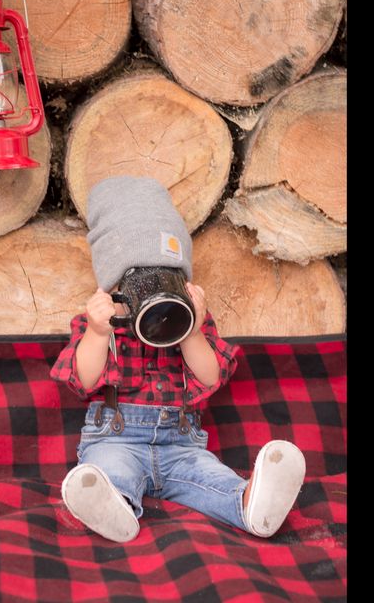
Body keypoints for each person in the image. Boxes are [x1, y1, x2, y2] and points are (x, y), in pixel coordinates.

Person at [50, 176, 306, 543]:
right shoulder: (102, 325)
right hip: (116, 439)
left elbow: (210, 376)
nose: (154, 290)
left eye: (166, 278)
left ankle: (251, 505)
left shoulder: (192, 324)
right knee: (109, 471)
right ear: (115, 286)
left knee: (211, 476)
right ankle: (112, 507)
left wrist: (193, 330)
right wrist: (96, 333)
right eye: (140, 281)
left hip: (181, 445)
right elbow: (83, 381)